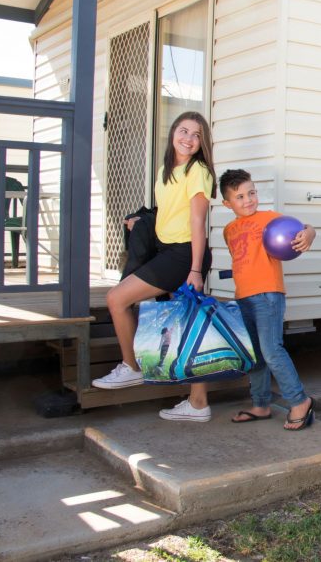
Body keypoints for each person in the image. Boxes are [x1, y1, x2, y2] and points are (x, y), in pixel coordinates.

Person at [93, 112, 217, 416]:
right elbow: (168, 211)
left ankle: (132, 366)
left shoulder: (197, 170)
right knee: (186, 322)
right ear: (173, 132)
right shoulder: (167, 170)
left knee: (116, 298)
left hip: (185, 255)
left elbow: (197, 222)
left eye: (196, 134)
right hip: (168, 250)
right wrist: (144, 221)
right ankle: (198, 403)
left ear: (202, 143)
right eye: (183, 131)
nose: (188, 139)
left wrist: (196, 269)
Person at [218, 168, 317, 429]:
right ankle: (260, 405)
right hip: (244, 298)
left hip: (268, 294)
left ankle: (299, 401)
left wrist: (309, 233)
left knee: (272, 350)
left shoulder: (270, 219)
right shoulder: (229, 230)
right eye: (239, 197)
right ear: (227, 203)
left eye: (251, 193)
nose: (248, 200)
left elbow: (303, 228)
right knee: (255, 355)